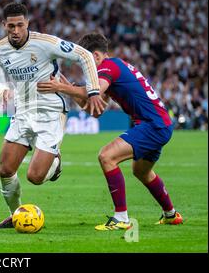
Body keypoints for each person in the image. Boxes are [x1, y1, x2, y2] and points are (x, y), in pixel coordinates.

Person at [37, 32, 183, 230]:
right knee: (141, 171)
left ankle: (121, 218)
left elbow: (90, 91)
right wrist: (67, 87)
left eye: (85, 61)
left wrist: (62, 87)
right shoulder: (114, 67)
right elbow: (95, 110)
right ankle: (171, 215)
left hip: (152, 125)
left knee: (107, 156)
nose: (84, 66)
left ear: (95, 56)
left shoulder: (108, 67)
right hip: (157, 123)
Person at [0, 3, 105, 228]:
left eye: (20, 25)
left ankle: (56, 162)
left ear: (27, 24)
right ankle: (17, 215)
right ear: (4, 25)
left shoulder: (45, 43)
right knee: (5, 170)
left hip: (50, 111)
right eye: (11, 26)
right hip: (22, 111)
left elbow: (84, 55)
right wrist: (1, 89)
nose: (15, 30)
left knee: (35, 177)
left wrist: (92, 91)